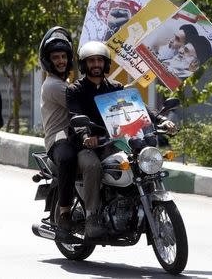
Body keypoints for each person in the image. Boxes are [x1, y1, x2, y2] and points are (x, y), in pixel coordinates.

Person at [66, 41, 177, 237]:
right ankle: (92, 217)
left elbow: (139, 108)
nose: (96, 64)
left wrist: (162, 120)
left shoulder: (116, 88)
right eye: (91, 61)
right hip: (88, 146)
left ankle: (135, 205)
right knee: (93, 167)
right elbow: (75, 116)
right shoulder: (75, 90)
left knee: (137, 161)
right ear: (84, 65)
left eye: (100, 60)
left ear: (106, 63)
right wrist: (86, 136)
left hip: (113, 143)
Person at [38, 26, 76, 231]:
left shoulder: (66, 82)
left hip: (75, 135)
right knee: (69, 158)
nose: (61, 61)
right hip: (58, 139)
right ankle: (64, 213)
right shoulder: (53, 85)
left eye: (63, 56)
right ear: (48, 61)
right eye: (56, 58)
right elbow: (83, 101)